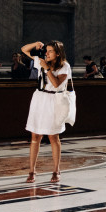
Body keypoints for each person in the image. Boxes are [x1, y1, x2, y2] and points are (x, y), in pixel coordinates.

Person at [20, 41, 72, 183]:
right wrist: (36, 44)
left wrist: (47, 68)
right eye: (46, 50)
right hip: (39, 98)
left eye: (50, 51)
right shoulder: (41, 61)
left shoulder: (64, 66)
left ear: (58, 53)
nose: (47, 53)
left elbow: (56, 84)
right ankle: (32, 171)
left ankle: (56, 170)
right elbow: (24, 49)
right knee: (35, 136)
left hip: (53, 100)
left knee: (53, 137)